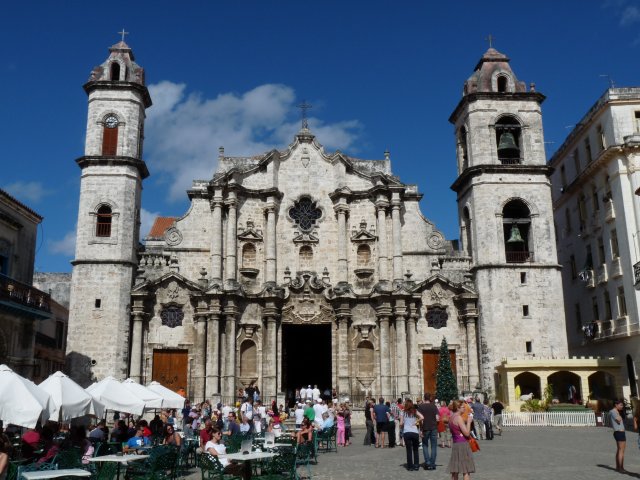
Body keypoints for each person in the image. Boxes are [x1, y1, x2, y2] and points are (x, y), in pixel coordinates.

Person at [447, 400, 475, 480]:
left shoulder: (451, 417)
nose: (464, 409)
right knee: (465, 470)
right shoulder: (459, 418)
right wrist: (469, 422)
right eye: (463, 407)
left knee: (455, 470)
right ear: (458, 408)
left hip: (456, 444)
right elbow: (466, 433)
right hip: (462, 444)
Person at [400, 399, 423, 471]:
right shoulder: (415, 411)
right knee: (415, 449)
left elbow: (401, 423)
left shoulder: (403, 412)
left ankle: (410, 466)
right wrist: (416, 421)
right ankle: (416, 465)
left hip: (407, 432)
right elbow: (422, 417)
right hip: (414, 432)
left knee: (409, 450)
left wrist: (403, 425)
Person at [418, 393, 439, 469]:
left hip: (425, 428)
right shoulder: (434, 406)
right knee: (433, 446)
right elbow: (437, 418)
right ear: (430, 398)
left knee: (425, 445)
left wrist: (420, 429)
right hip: (433, 428)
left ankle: (427, 463)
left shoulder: (420, 407)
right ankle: (432, 464)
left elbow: (420, 420)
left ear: (424, 398)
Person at [610, 399, 626, 473]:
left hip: (621, 432)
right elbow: (618, 420)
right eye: (621, 405)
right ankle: (620, 468)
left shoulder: (616, 411)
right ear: (616, 405)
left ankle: (618, 467)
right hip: (619, 432)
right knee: (621, 450)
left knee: (620, 450)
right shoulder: (613, 411)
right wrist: (619, 413)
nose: (622, 407)